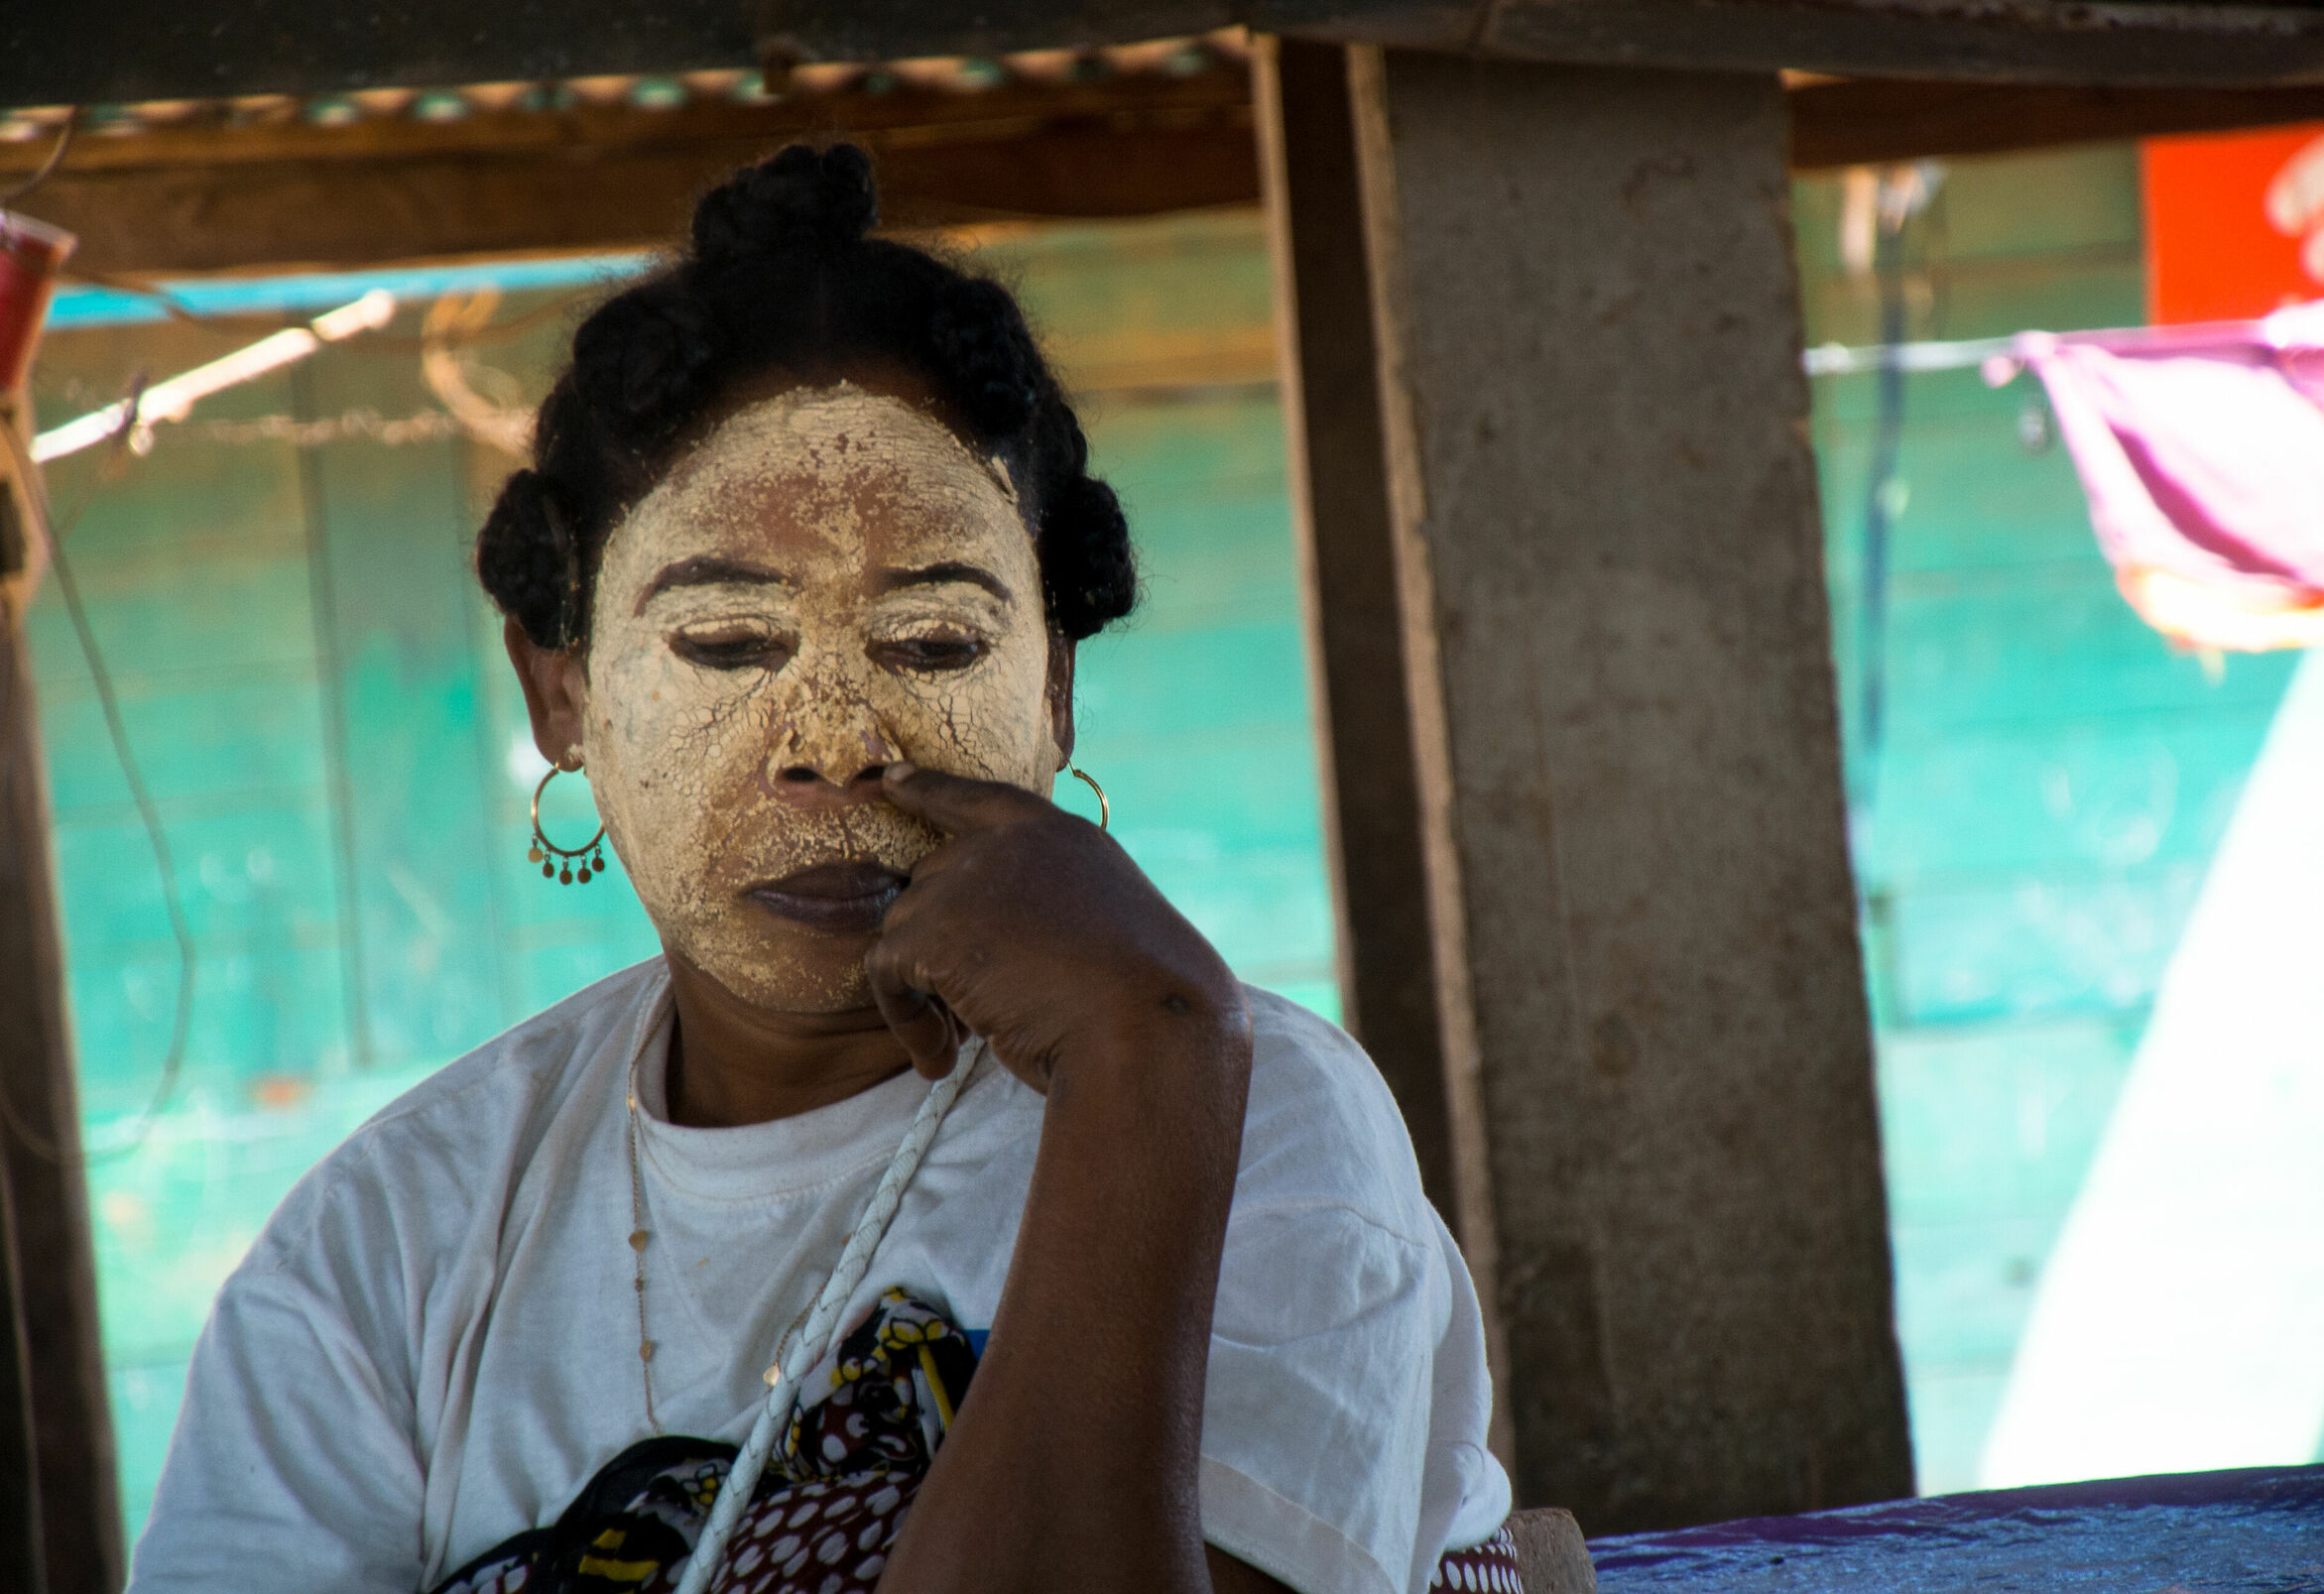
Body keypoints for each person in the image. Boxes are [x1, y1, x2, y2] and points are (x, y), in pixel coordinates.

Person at [128, 144, 1513, 1594]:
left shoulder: (1252, 1127)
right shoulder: (381, 1257)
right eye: (725, 646)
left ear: (1055, 697)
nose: (835, 743)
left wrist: (1146, 1061)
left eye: (936, 645)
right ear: (564, 698)